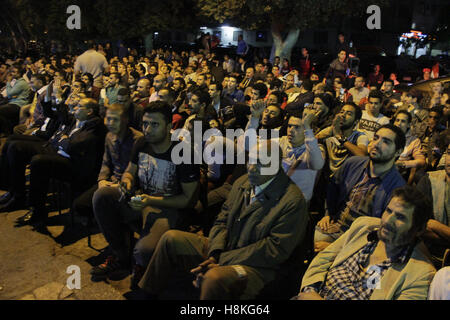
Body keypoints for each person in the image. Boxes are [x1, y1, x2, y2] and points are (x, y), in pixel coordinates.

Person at [134, 140, 309, 300]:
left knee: (214, 278)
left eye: (261, 163)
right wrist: (215, 253)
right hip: (224, 250)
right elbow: (221, 220)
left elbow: (272, 251)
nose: (251, 168)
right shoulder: (243, 183)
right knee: (170, 239)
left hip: (257, 267)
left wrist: (222, 260)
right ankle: (147, 293)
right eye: (250, 160)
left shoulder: (292, 201)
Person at [90, 101, 200, 285]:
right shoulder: (142, 143)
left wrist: (150, 199)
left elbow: (188, 200)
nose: (148, 129)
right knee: (101, 196)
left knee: (144, 251)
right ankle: (120, 255)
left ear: (168, 126)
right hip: (141, 201)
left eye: (154, 124)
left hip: (168, 208)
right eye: (145, 124)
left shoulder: (183, 153)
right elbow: (129, 171)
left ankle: (143, 267)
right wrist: (127, 181)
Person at [296, 185, 436, 300]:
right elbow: (324, 259)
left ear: (418, 229)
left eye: (400, 217)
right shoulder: (364, 227)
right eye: (388, 211)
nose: (387, 221)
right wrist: (310, 290)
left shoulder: (420, 275)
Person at [314, 124, 406, 252]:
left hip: (361, 242)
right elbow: (333, 189)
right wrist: (328, 213)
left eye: (386, 142)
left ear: (398, 151)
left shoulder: (398, 188)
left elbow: (381, 233)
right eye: (376, 138)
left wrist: (337, 249)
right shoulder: (353, 163)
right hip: (336, 226)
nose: (376, 144)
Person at [72, 103, 143, 218]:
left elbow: (138, 172)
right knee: (80, 205)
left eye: (115, 120)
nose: (110, 123)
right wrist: (102, 180)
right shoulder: (109, 136)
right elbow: (106, 163)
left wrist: (122, 184)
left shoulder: (137, 139)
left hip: (130, 186)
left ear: (125, 120)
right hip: (111, 181)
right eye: (108, 119)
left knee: (111, 208)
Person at [417, 144, 450, 267]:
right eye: (449, 152)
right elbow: (417, 226)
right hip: (427, 257)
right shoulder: (429, 180)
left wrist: (436, 226)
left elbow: (428, 225)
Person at [317, 103, 369, 176]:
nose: (343, 115)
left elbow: (363, 156)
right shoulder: (331, 130)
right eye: (342, 112)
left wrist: (340, 138)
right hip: (326, 177)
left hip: (346, 178)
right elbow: (311, 142)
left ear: (356, 121)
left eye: (349, 114)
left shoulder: (359, 136)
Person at [392, 110, 426, 182]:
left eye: (403, 121)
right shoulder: (386, 134)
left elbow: (421, 160)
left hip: (399, 171)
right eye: (397, 120)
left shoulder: (414, 140)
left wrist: (404, 163)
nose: (399, 123)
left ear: (408, 124)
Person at [0, 64, 32, 136]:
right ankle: (6, 131)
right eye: (12, 71)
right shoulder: (16, 81)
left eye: (14, 72)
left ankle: (7, 132)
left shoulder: (21, 83)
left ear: (19, 73)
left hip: (18, 105)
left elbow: (9, 93)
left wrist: (8, 82)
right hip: (12, 102)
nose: (12, 74)